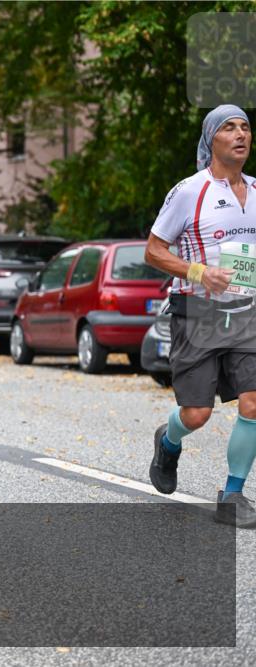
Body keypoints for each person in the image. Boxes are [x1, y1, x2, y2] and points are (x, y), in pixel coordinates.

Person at [144, 104, 256, 529]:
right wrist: (199, 272)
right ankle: (169, 441)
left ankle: (233, 495)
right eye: (229, 127)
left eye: (245, 127)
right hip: (198, 312)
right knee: (197, 413)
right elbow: (153, 251)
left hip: (248, 311)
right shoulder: (190, 191)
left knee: (253, 401)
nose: (240, 134)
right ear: (212, 140)